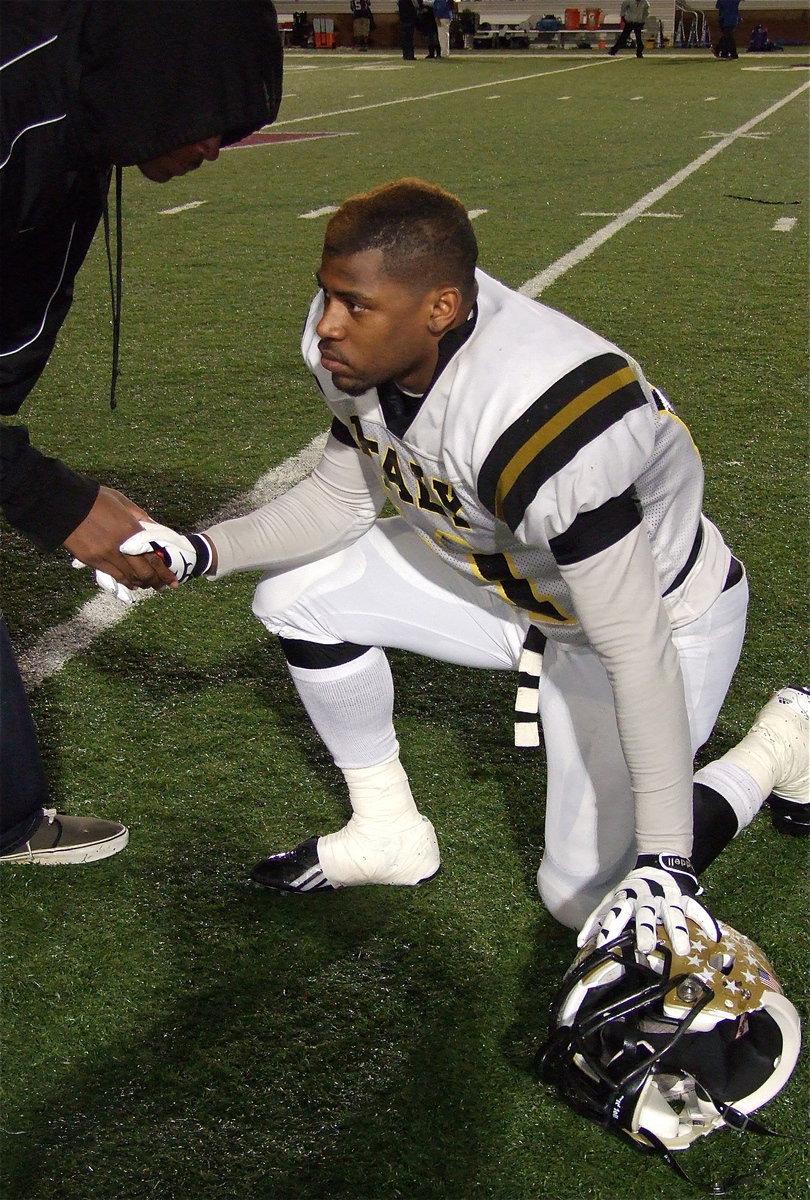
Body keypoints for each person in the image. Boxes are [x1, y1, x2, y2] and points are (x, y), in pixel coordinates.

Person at [104, 179, 807, 962]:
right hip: (509, 580)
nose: (328, 325)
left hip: (652, 620)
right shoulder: (365, 336)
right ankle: (387, 831)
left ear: (440, 309)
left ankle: (781, 744)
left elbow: (633, 647)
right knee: (298, 597)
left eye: (354, 306)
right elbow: (340, 501)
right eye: (326, 295)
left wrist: (667, 856)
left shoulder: (541, 416)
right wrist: (199, 551)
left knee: (585, 902)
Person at [0, 0, 283, 866]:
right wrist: (56, 501)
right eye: (210, 114)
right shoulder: (17, 110)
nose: (216, 144)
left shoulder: (83, 103)